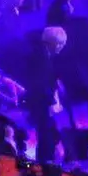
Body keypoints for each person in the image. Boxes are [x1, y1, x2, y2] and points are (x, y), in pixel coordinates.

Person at [24, 27, 67, 164]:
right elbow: (40, 83)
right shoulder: (41, 58)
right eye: (62, 44)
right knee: (46, 136)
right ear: (56, 43)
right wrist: (51, 103)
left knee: (46, 135)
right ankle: (45, 164)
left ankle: (45, 162)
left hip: (42, 102)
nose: (62, 48)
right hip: (42, 103)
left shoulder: (42, 55)